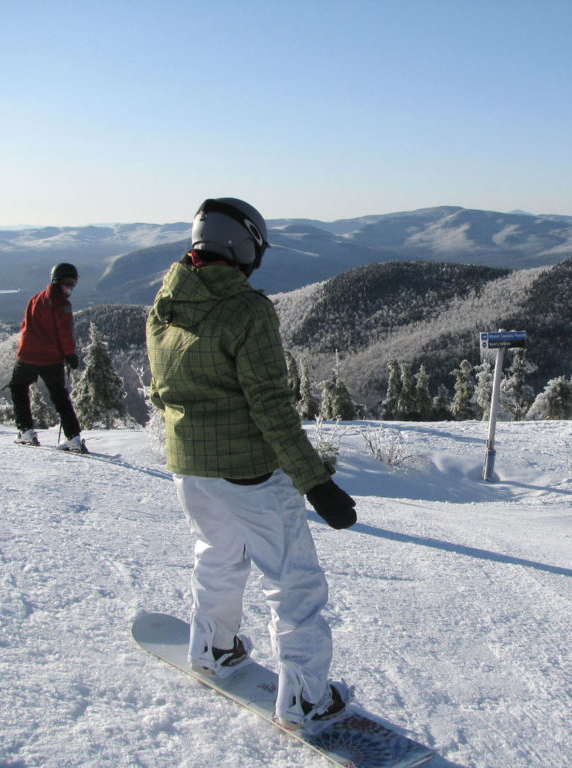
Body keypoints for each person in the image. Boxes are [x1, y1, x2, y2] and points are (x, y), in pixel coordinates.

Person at [146, 197, 357, 730]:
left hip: (189, 467)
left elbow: (162, 391)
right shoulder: (248, 312)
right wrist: (317, 483)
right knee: (292, 581)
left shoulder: (164, 305)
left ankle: (214, 647)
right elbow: (271, 407)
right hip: (250, 473)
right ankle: (306, 697)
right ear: (244, 247)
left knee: (216, 556)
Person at [9, 263, 85, 452]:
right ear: (56, 281)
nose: (70, 288)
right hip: (51, 359)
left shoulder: (36, 299)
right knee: (59, 397)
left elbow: (26, 327)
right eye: (67, 283)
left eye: (73, 283)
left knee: (18, 388)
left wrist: (24, 351)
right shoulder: (63, 305)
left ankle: (26, 432)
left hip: (27, 356)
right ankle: (73, 438)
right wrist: (70, 354)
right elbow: (65, 333)